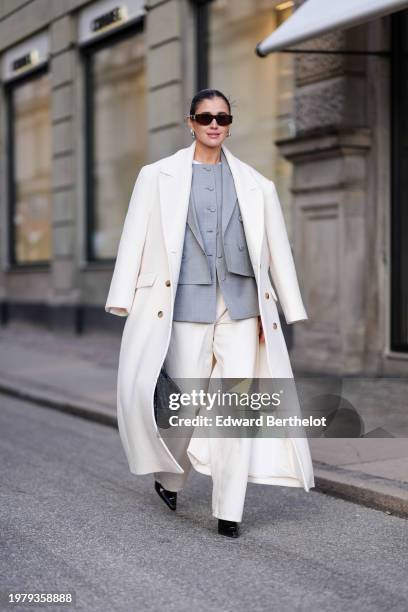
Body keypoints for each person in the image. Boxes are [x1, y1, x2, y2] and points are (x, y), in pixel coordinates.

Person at [105, 88, 315, 539]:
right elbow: (135, 238)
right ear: (191, 122)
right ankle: (171, 476)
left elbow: (277, 250)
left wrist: (289, 306)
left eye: (222, 117)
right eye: (205, 117)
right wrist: (122, 296)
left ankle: (229, 511)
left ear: (230, 123)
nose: (214, 124)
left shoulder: (259, 184)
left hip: (242, 307)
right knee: (186, 406)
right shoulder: (156, 176)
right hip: (180, 306)